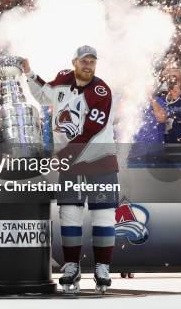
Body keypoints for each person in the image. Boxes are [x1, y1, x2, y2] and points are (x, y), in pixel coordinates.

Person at [23, 45, 118, 294]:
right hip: (71, 164)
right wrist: (30, 74)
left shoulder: (101, 91)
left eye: (92, 62)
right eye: (84, 61)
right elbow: (44, 95)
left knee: (104, 216)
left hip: (100, 161)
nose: (88, 65)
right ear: (74, 61)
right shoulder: (64, 78)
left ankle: (102, 267)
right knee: (69, 214)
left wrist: (62, 156)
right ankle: (71, 266)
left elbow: (88, 131)